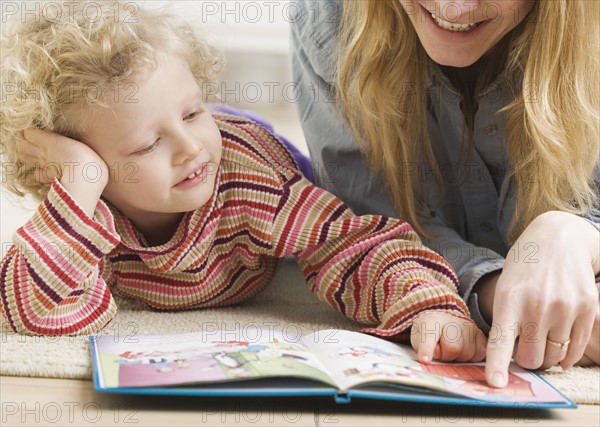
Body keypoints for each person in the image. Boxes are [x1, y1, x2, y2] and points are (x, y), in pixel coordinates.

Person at [0, 0, 486, 365]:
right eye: (148, 145)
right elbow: (29, 311)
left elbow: (351, 244)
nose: (189, 147)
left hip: (253, 164)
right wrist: (80, 186)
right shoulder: (88, 214)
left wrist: (432, 305)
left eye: (193, 112)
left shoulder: (256, 186)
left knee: (298, 195)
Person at [290, 0, 599, 388]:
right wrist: (496, 290)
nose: (453, 9)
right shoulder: (328, 15)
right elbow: (371, 222)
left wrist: (576, 234)